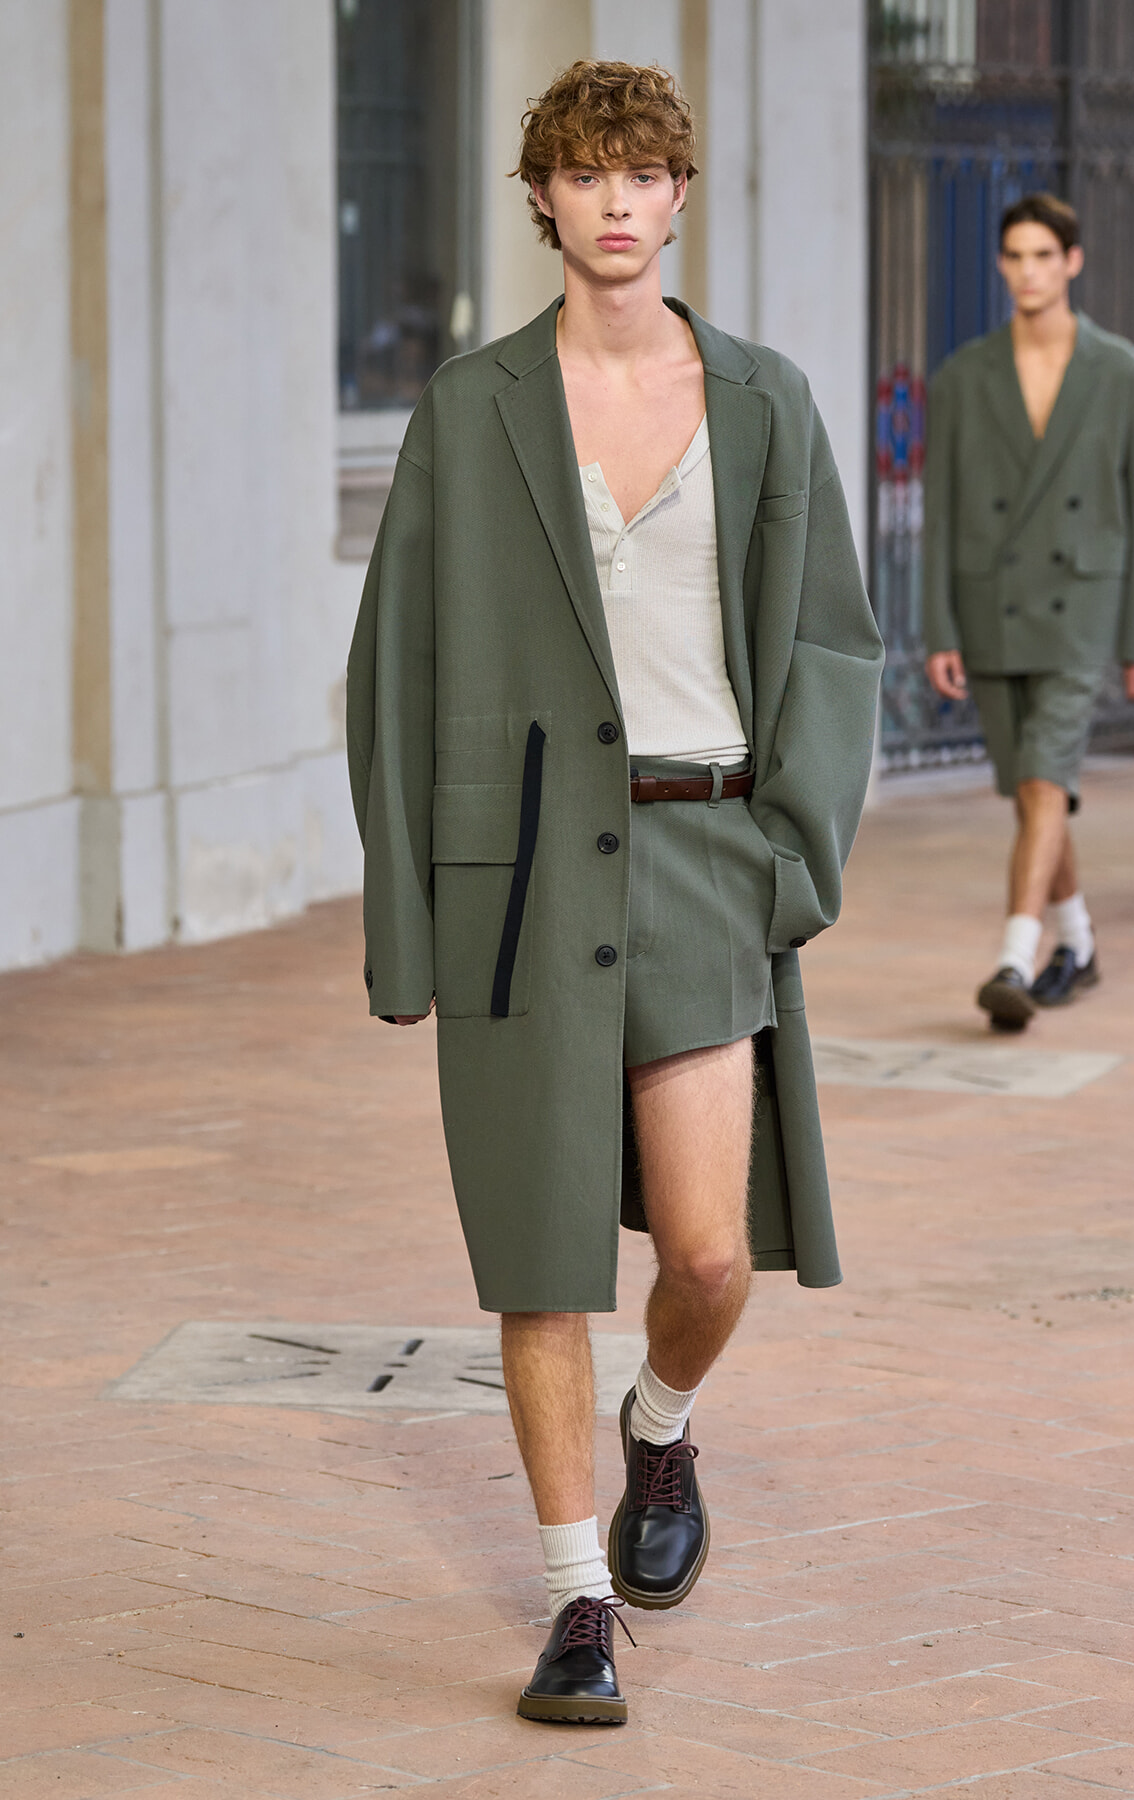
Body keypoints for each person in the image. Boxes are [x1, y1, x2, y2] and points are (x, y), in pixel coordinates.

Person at [346, 60, 882, 1725]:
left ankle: (663, 1428)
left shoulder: (768, 398)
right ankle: (577, 1602)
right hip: (517, 871)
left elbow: (832, 643)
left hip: (709, 850)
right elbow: (397, 669)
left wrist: (795, 856)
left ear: (677, 196)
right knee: (540, 1259)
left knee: (710, 1259)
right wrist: (410, 915)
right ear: (544, 203)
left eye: (642, 173)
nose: (617, 201)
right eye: (585, 175)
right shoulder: (471, 406)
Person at [923, 192, 1134, 1030]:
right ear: (1001, 265)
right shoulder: (963, 377)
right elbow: (943, 509)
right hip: (990, 604)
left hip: (1080, 608)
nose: (1028, 271)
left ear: (1072, 262)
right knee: (1036, 791)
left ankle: (1012, 956)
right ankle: (1078, 943)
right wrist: (941, 628)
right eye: (1015, 256)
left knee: (1042, 779)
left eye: (1044, 256)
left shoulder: (1129, 376)